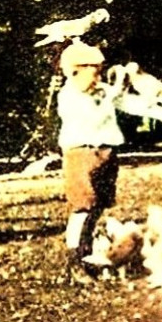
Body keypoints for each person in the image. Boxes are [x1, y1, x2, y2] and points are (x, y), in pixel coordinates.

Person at [56, 40, 128, 281]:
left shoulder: (101, 90)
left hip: (106, 151)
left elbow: (128, 104)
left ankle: (87, 255)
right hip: (82, 153)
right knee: (82, 207)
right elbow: (91, 120)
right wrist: (113, 93)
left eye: (99, 70)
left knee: (97, 207)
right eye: (93, 71)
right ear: (75, 71)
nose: (98, 77)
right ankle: (74, 262)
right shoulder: (69, 97)